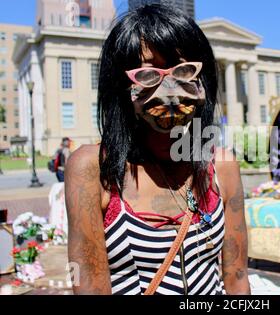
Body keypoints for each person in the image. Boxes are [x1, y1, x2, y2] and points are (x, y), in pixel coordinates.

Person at [65, 4, 250, 295]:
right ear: (122, 87)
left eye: (183, 69)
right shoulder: (93, 168)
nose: (169, 89)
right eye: (149, 74)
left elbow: (237, 278)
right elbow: (86, 280)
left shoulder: (222, 166)